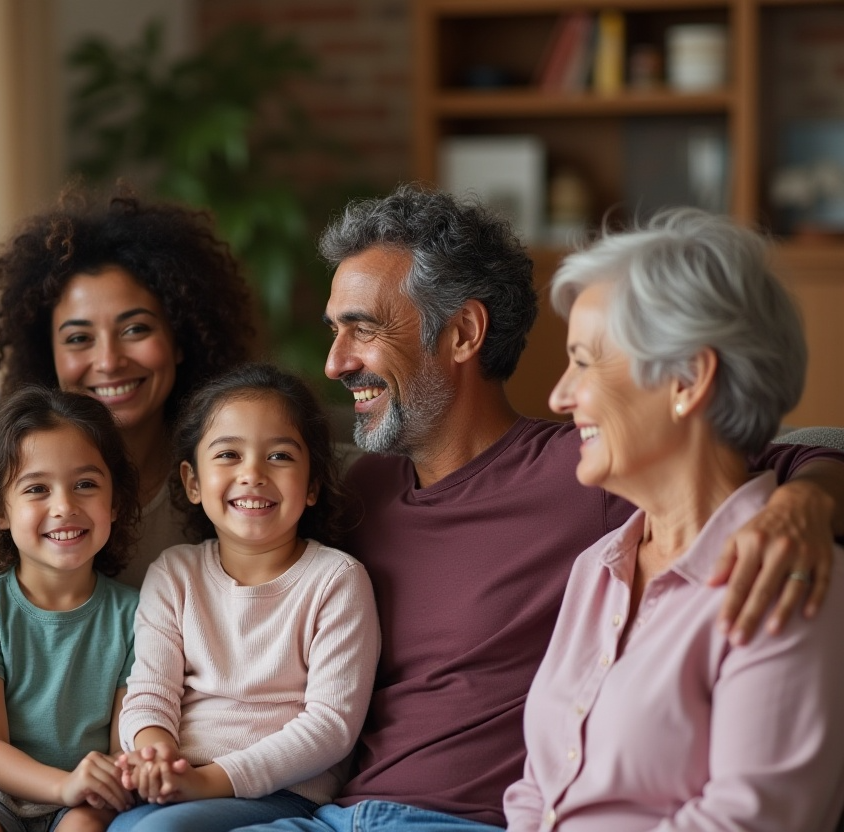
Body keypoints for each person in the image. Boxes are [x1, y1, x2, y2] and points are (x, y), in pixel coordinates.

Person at [234, 185, 844, 832]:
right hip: (329, 814)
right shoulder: (355, 494)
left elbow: (757, 455)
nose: (333, 363)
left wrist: (805, 503)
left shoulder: (594, 476)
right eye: (335, 330)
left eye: (362, 327)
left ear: (463, 333)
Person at [0, 187, 256, 829]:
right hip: (2, 791)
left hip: (134, 790)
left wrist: (108, 789)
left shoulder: (230, 482)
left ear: (180, 339)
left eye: (136, 328)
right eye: (79, 337)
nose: (109, 360)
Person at [503, 210, 844, 830]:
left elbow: (749, 821)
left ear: (688, 378)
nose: (558, 396)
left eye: (584, 361)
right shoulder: (599, 567)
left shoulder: (784, 574)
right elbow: (536, 788)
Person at [109, 363, 380, 832]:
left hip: (281, 795)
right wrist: (156, 756)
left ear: (312, 484)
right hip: (177, 783)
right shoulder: (174, 573)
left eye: (279, 456)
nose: (252, 473)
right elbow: (150, 693)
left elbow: (331, 726)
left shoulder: (337, 580)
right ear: (193, 483)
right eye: (229, 455)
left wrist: (210, 781)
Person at [0, 386, 143, 832]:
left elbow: (122, 745)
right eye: (37, 488)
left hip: (88, 799)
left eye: (85, 485)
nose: (64, 506)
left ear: (114, 503)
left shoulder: (136, 614)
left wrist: (90, 785)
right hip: (0, 790)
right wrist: (62, 785)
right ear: (0, 509)